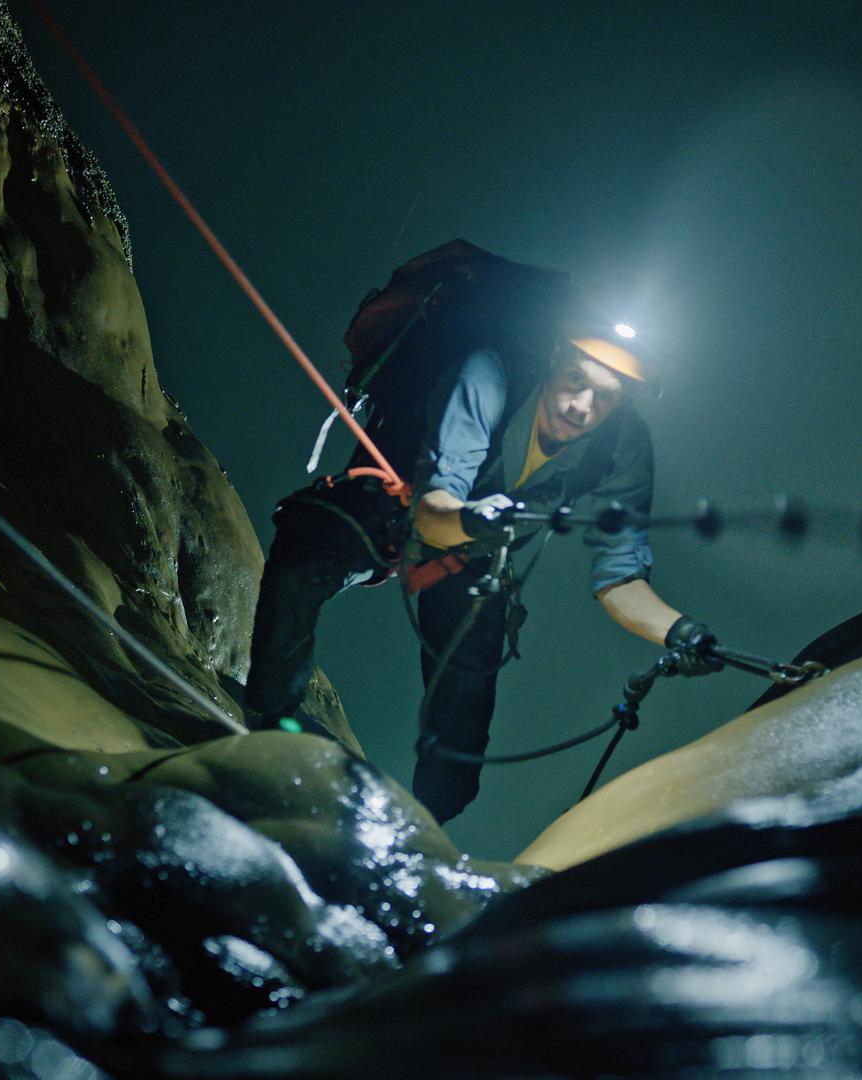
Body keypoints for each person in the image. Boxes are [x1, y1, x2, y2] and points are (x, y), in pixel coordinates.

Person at [246, 313, 721, 822]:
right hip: (392, 507)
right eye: (576, 381)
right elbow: (432, 517)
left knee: (463, 724)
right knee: (303, 560)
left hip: (472, 555)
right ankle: (268, 728)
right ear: (557, 355)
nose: (582, 406)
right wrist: (473, 519)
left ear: (623, 400)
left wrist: (676, 631)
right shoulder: (489, 376)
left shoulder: (621, 447)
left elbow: (620, 580)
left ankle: (422, 830)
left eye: (604, 396)